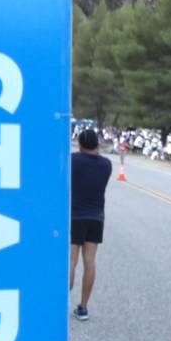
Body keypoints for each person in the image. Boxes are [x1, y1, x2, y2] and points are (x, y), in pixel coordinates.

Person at [70, 128, 112, 320]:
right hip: (96, 217)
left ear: (79, 144)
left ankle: (62, 303)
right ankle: (83, 307)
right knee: (90, 262)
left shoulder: (73, 161)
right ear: (97, 144)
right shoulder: (106, 165)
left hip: (76, 215)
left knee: (71, 261)